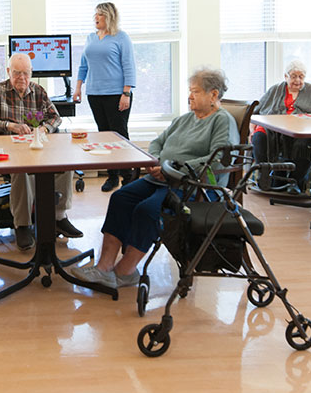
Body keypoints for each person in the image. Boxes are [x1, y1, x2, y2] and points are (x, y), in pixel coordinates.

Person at [67, 67, 239, 289]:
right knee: (121, 198)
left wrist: (172, 168)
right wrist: (157, 161)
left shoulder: (222, 121)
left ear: (213, 95)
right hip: (162, 178)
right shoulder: (185, 119)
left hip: (194, 186)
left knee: (147, 210)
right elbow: (158, 142)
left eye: (195, 91)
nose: (190, 96)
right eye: (190, 90)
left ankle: (126, 271)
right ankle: (104, 267)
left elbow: (218, 161)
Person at [0, 53, 81, 251]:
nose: (22, 78)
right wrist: (11, 126)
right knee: (22, 171)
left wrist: (43, 129)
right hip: (10, 150)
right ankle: (23, 224)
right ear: (9, 71)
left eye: (26, 73)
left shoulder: (38, 91)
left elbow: (55, 118)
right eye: (17, 73)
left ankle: (58, 216)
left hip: (37, 147)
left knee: (65, 165)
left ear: (31, 73)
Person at [73, 2, 137, 192]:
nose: (96, 18)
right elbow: (83, 65)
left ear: (109, 17)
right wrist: (78, 88)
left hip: (117, 94)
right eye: (95, 14)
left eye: (100, 14)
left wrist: (126, 92)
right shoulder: (91, 38)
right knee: (104, 136)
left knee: (119, 137)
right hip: (95, 93)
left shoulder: (121, 37)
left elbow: (129, 66)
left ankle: (128, 178)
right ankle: (112, 176)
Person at [252, 60, 311, 191]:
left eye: (301, 77)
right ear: (286, 77)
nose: (298, 80)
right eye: (293, 76)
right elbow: (257, 111)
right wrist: (251, 129)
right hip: (274, 129)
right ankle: (265, 175)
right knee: (259, 137)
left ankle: (294, 182)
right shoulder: (275, 89)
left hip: (302, 129)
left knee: (303, 144)